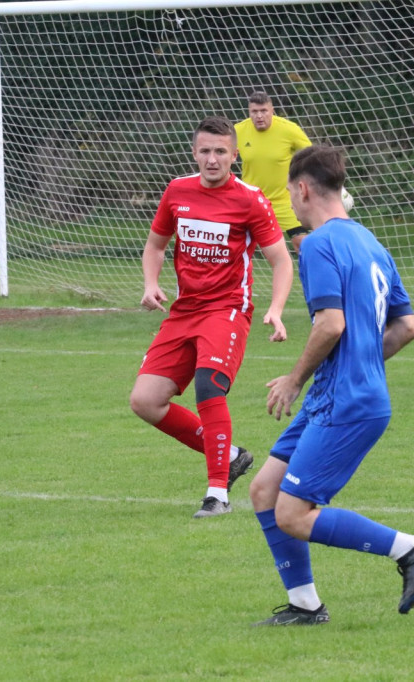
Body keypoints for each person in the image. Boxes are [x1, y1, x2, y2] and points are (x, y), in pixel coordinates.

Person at [249, 145, 414, 626]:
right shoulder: (371, 243)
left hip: (343, 402)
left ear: (303, 189)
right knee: (264, 491)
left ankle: (410, 548)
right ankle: (305, 606)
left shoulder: (316, 244)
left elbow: (330, 324)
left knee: (293, 514)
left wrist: (294, 379)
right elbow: (407, 328)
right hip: (343, 395)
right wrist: (362, 364)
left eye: (290, 194)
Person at [130, 115, 294, 519]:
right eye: (205, 150)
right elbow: (155, 246)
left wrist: (274, 309)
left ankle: (217, 494)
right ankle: (232, 455)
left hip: (227, 311)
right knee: (145, 402)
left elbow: (281, 261)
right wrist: (150, 284)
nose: (212, 159)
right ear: (194, 153)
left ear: (234, 156)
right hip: (185, 311)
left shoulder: (251, 200)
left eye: (221, 151)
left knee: (209, 387)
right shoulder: (177, 191)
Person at [235, 91, 314, 254]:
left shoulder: (289, 130)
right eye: (254, 112)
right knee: (237, 247)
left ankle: (311, 279)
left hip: (285, 202)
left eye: (263, 111)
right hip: (251, 202)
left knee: (303, 245)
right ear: (249, 112)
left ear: (272, 111)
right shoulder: (237, 131)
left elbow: (312, 157)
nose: (259, 116)